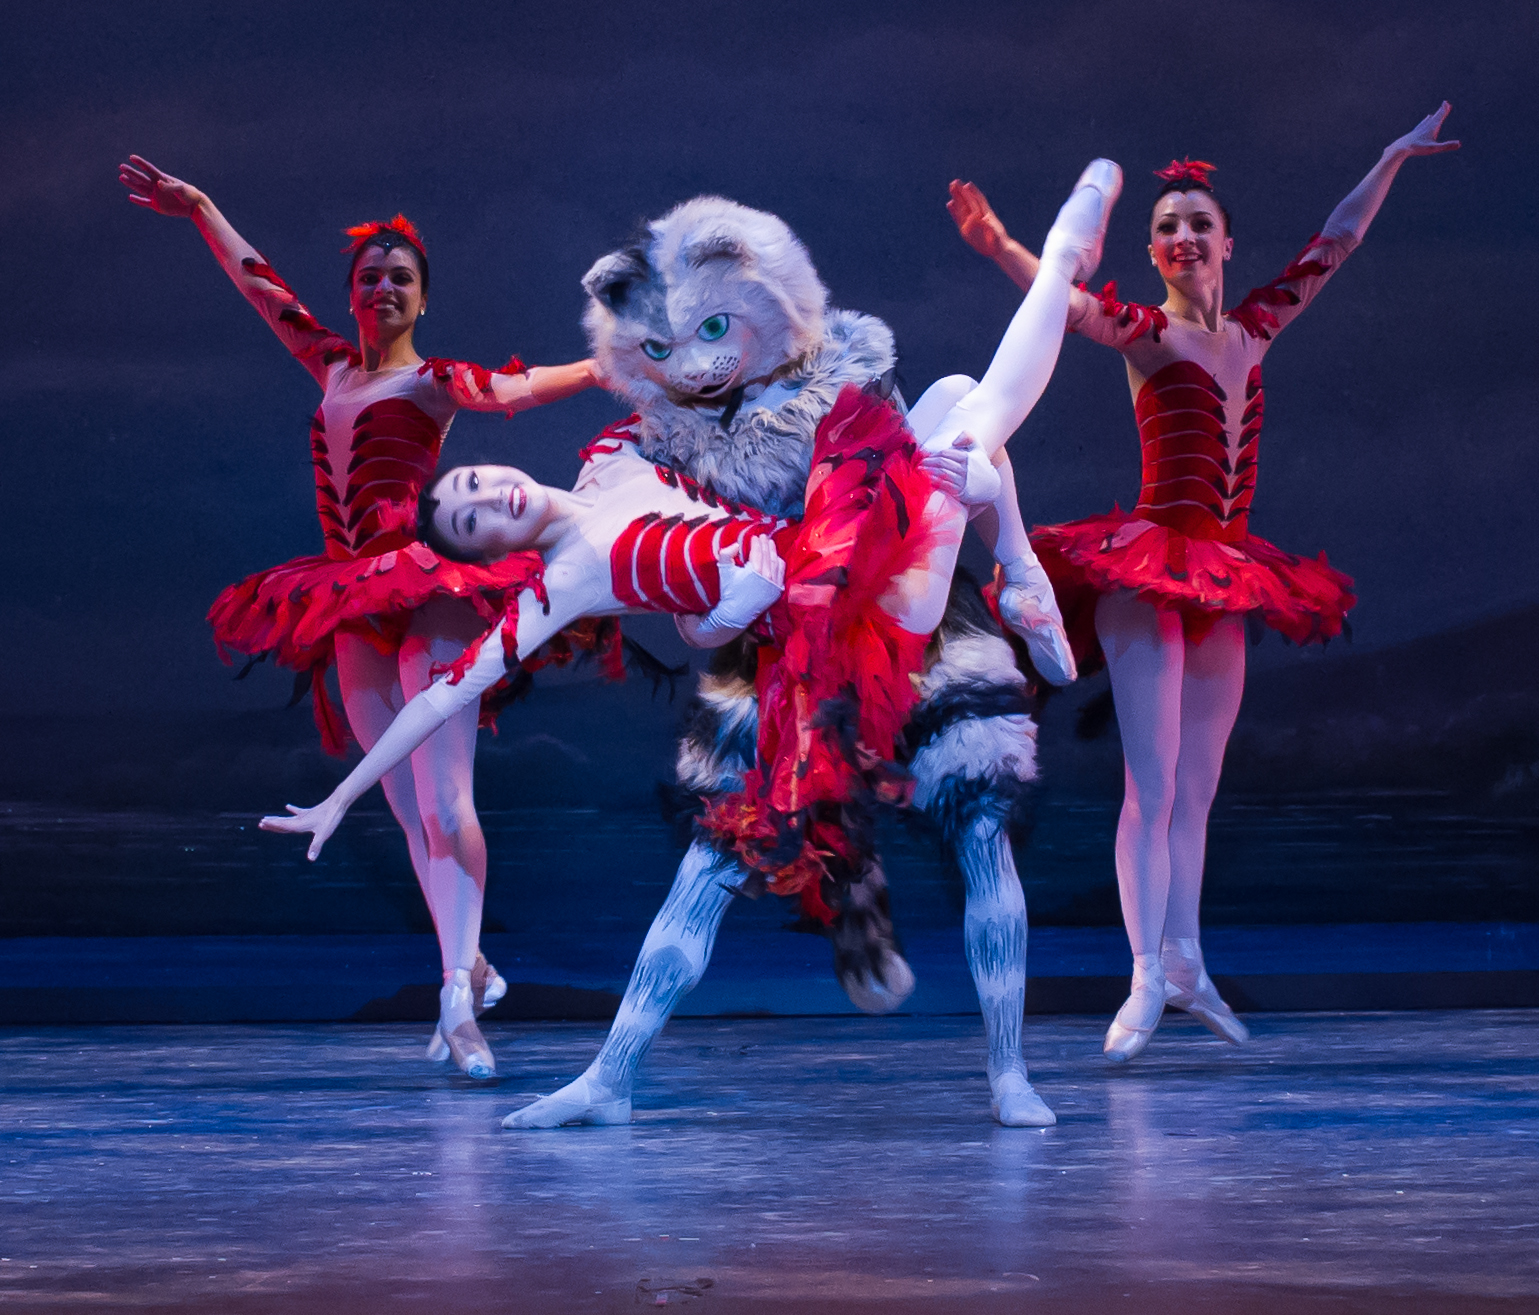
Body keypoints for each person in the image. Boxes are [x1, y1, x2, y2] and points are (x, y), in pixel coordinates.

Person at [262, 159, 1123, 1128]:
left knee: (967, 420)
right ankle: (610, 1076)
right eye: (469, 518)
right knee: (713, 861)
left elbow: (834, 451)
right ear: (489, 549)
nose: (484, 496)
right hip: (793, 636)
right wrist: (341, 796)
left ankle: (1009, 1070)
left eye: (471, 484)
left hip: (880, 578)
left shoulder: (654, 443)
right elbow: (498, 673)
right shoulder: (613, 505)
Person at [947, 105, 1460, 1063]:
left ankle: (1186, 960)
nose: (1183, 236)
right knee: (1150, 783)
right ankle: (1145, 972)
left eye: (1197, 223)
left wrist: (1388, 157)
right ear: (1151, 254)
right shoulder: (1146, 334)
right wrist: (1002, 245)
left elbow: (1336, 243)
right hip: (1151, 568)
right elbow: (1063, 301)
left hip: (1225, 574)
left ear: (1226, 242)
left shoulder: (1255, 328)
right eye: (1166, 228)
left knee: (1198, 786)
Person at [118, 156, 602, 1079]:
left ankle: (458, 997)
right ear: (352, 296)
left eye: (400, 279)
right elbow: (264, 290)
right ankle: (467, 963)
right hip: (346, 597)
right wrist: (204, 209)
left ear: (421, 300)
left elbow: (522, 387)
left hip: (428, 592)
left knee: (444, 795)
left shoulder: (433, 382)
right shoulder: (331, 365)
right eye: (369, 277)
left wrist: (611, 363)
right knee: (400, 805)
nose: (382, 288)